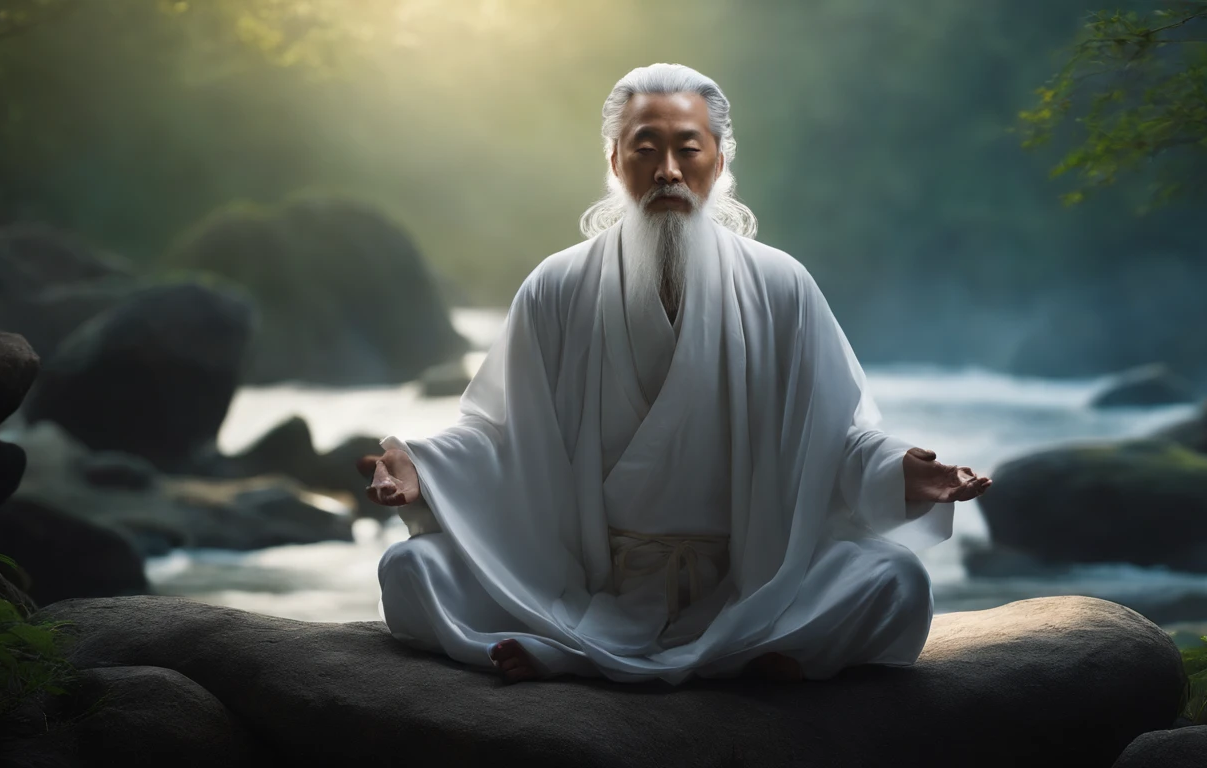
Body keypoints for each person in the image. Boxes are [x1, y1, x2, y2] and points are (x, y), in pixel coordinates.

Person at [357, 63, 990, 685]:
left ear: (718, 163)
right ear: (614, 163)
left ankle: (587, 657)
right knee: (412, 571)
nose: (667, 172)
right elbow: (501, 434)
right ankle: (727, 660)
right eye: (645, 150)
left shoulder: (781, 286)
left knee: (898, 583)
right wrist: (421, 467)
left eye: (688, 150)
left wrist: (899, 470)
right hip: (590, 579)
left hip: (747, 581)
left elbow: (830, 436)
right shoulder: (557, 286)